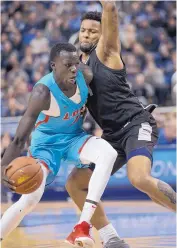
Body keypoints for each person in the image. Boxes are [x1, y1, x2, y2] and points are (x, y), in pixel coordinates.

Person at [65, 2, 176, 248]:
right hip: (111, 136)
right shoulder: (77, 73)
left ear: (103, 35)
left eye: (93, 31)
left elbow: (111, 11)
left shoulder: (106, 52)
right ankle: (111, 238)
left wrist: (108, 6)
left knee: (139, 178)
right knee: (75, 183)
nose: (87, 34)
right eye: (84, 30)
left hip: (136, 124)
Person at [1, 43, 118, 247]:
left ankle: (82, 226)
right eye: (68, 64)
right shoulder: (42, 92)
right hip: (46, 145)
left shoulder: (86, 76)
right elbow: (20, 137)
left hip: (74, 138)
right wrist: (3, 166)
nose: (74, 68)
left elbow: (108, 99)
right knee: (30, 199)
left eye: (76, 63)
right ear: (54, 65)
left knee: (108, 153)